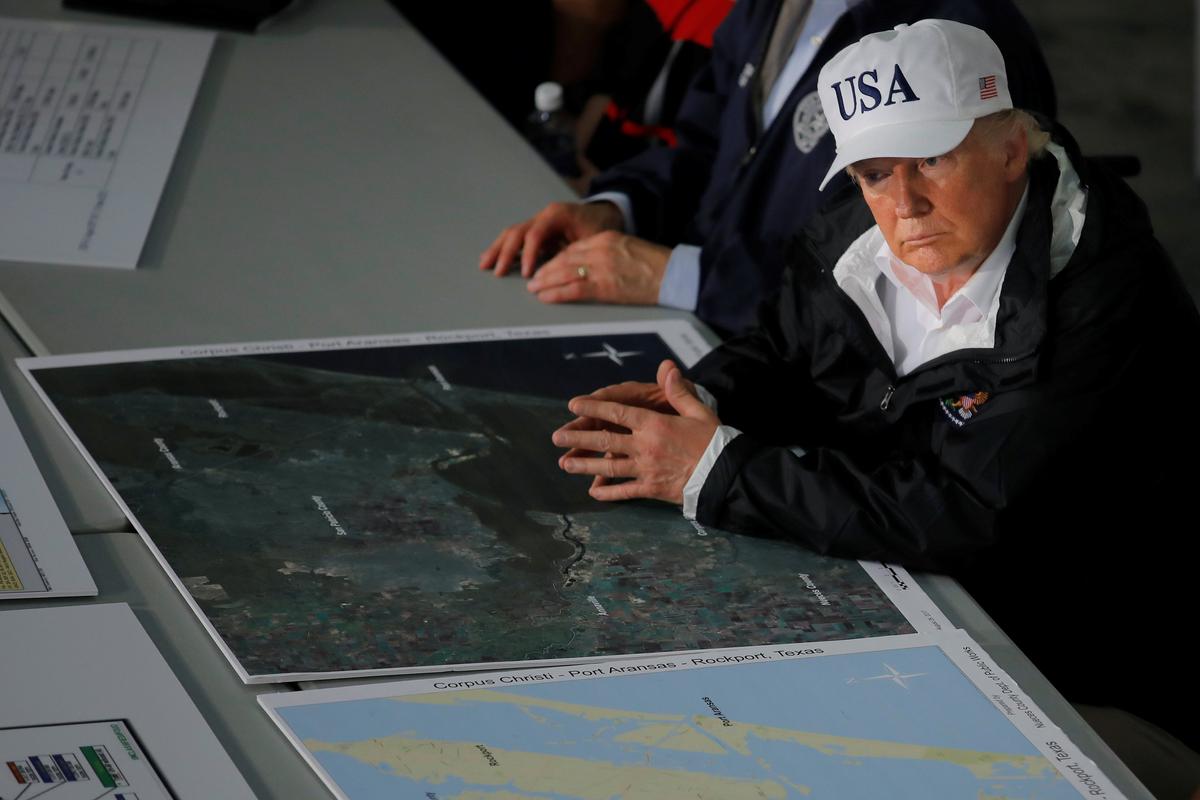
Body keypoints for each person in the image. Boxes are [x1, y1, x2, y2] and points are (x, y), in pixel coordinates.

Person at [550, 19, 1200, 796]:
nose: (905, 203)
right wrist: (698, 400)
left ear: (1010, 148)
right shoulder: (854, 223)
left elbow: (964, 511)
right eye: (873, 171)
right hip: (921, 604)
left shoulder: (1101, 293)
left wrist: (718, 470)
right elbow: (787, 345)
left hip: (1082, 662)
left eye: (932, 158)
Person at [479, 0, 1057, 336]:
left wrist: (684, 277)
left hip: (810, 375)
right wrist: (618, 207)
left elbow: (910, 277)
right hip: (711, 332)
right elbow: (707, 145)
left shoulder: (959, 40)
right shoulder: (772, 6)